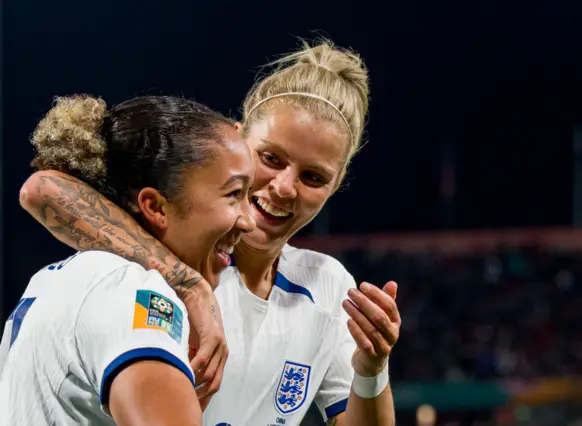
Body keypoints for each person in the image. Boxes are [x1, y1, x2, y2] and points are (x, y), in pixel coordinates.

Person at [19, 39, 401, 425]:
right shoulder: (158, 256)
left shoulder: (328, 286)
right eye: (270, 158)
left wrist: (371, 370)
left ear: (334, 187)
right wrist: (189, 284)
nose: (285, 187)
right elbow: (44, 189)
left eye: (313, 177)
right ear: (235, 140)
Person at [1, 95, 255, 425]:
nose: (249, 220)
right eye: (234, 194)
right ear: (156, 207)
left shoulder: (63, 277)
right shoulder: (131, 288)